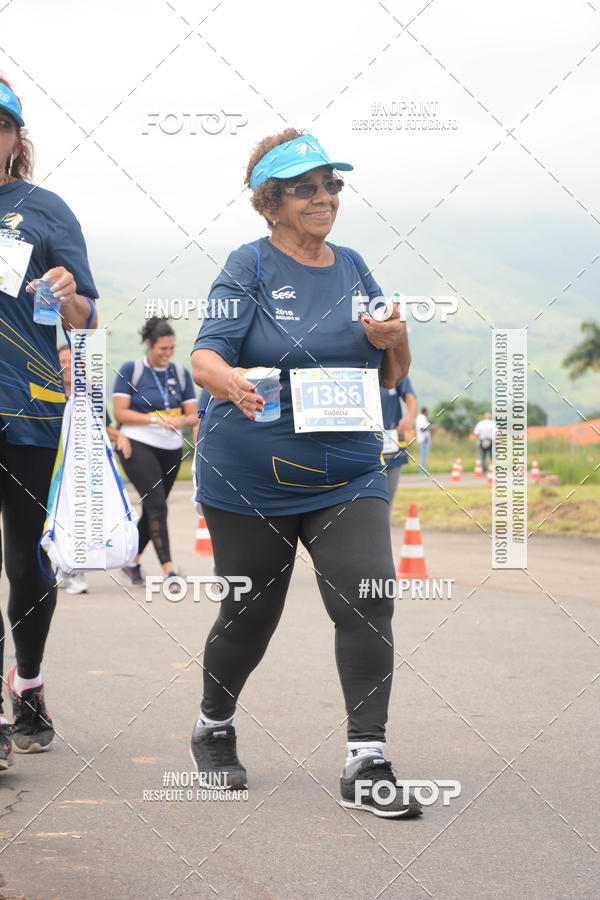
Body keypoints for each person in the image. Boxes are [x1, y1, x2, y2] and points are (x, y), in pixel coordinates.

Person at [190, 128, 422, 819]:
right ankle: (214, 724)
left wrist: (395, 337)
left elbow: (395, 370)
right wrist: (230, 381)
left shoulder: (352, 266)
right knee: (251, 612)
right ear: (271, 202)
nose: (325, 198)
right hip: (251, 474)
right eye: (307, 188)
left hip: (349, 468)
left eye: (332, 185)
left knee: (367, 596)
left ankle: (366, 758)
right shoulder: (248, 266)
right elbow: (204, 356)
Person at [0, 77, 98, 769]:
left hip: (29, 409)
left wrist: (68, 297)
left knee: (28, 567)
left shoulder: (45, 210)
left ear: (16, 139)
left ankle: (27, 682)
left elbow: (86, 314)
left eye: (0, 125)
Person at [112, 318, 197, 588]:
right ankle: (169, 571)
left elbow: (193, 414)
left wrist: (183, 420)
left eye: (171, 348)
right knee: (158, 505)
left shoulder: (181, 374)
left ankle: (131, 561)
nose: (167, 353)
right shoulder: (131, 370)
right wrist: (154, 419)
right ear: (149, 344)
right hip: (137, 442)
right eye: (162, 348)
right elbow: (120, 413)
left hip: (171, 446)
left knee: (153, 508)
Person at [56, 344, 131, 594]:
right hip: (55, 462)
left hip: (83, 465)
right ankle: (59, 563)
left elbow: (102, 428)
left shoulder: (90, 394)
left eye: (72, 361)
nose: (67, 366)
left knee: (80, 514)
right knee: (55, 515)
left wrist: (118, 436)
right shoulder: (50, 393)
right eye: (62, 361)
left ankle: (75, 571)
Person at [380, 379, 417, 519]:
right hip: (365, 446)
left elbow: (411, 399)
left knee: (387, 501)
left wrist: (409, 417)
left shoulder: (395, 371)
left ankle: (383, 537)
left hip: (392, 447)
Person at [415, 407, 432, 474]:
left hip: (424, 440)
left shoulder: (421, 418)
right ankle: (421, 472)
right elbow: (422, 429)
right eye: (427, 411)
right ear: (425, 411)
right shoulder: (421, 418)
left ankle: (422, 471)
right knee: (423, 456)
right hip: (424, 440)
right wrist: (430, 428)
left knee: (424, 456)